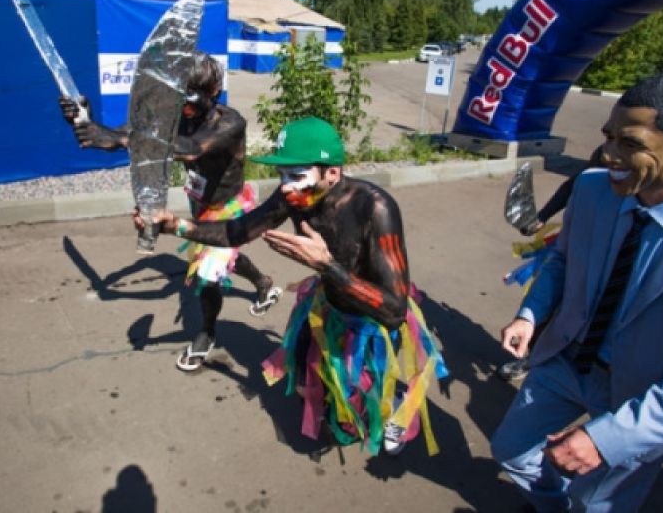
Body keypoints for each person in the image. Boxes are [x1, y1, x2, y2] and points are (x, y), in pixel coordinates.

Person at [491, 72, 663, 512]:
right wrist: (529, 315)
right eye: (608, 136)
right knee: (511, 451)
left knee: (597, 505)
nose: (608, 154)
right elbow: (563, 261)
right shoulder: (592, 189)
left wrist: (607, 438)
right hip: (566, 361)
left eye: (629, 143)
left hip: (644, 398)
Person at [136, 116, 448, 456]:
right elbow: (237, 231)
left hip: (371, 323)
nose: (285, 187)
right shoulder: (295, 195)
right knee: (304, 382)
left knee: (359, 405)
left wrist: (326, 265)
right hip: (327, 307)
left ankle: (397, 403)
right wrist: (175, 226)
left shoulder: (375, 208)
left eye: (296, 175)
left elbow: (394, 311)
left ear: (332, 173)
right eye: (282, 175)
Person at [60, 53, 281, 372]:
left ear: (214, 92)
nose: (182, 106)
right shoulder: (176, 113)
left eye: (189, 98)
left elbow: (190, 150)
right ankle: (262, 282)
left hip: (228, 208)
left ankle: (207, 333)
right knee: (220, 258)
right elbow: (132, 132)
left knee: (207, 275)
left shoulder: (231, 123)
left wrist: (118, 138)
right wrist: (87, 123)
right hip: (199, 203)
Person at [498, 145, 606, 382]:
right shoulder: (604, 160)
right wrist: (541, 217)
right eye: (610, 138)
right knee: (551, 304)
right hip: (578, 250)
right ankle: (532, 356)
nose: (612, 153)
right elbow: (576, 184)